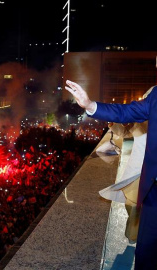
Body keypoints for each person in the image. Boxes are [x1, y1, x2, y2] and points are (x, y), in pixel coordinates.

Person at [65, 80, 157, 270]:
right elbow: (125, 112)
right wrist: (90, 105)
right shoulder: (155, 95)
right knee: (145, 253)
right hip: (154, 192)